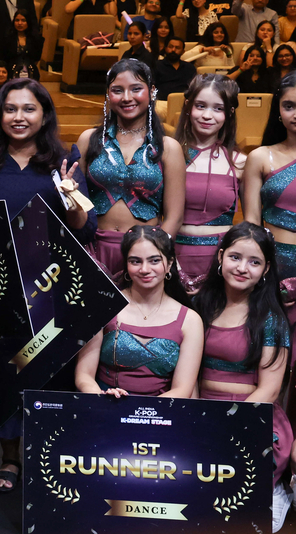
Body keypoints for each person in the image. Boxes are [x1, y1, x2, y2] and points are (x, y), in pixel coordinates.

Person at [0, 77, 97, 491]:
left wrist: (70, 196)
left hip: (52, 283)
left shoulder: (65, 159)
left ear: (44, 114)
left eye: (29, 109)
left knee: (50, 369)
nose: (19, 117)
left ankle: (49, 455)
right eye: (10, 109)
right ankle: (10, 459)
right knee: (9, 367)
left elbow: (85, 227)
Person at [191, 223, 292, 531]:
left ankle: (277, 490)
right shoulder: (199, 306)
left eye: (254, 262)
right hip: (200, 409)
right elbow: (186, 372)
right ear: (221, 256)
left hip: (251, 417)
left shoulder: (271, 319)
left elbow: (270, 390)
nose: (242, 268)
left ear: (266, 269)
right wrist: (193, 417)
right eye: (235, 257)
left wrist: (225, 425)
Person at [78, 59, 186, 281]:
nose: (127, 98)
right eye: (117, 90)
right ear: (108, 95)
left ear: (152, 91)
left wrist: (154, 257)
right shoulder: (89, 140)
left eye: (136, 89)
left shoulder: (168, 148)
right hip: (91, 249)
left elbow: (174, 217)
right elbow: (73, 202)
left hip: (144, 255)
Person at [75, 225, 204, 398]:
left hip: (161, 410)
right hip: (106, 404)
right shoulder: (104, 305)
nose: (144, 269)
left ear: (169, 264)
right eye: (135, 261)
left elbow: (182, 390)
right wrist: (102, 397)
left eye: (154, 261)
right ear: (126, 265)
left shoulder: (190, 320)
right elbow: (84, 375)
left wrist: (140, 410)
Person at [174, 74, 246, 293]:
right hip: (171, 258)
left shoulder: (240, 162)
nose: (207, 115)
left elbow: (251, 226)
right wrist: (172, 266)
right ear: (188, 107)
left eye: (218, 108)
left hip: (222, 266)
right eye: (200, 106)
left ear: (229, 113)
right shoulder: (169, 156)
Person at [243, 71, 296, 324]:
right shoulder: (261, 157)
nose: (295, 114)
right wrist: (258, 267)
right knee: (271, 339)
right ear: (278, 110)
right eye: (289, 106)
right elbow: (252, 223)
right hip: (273, 264)